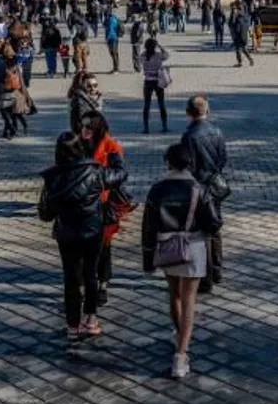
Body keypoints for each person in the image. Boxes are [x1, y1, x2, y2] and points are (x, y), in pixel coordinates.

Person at [141, 142, 223, 379]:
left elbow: (148, 227)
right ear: (190, 163)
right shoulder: (199, 188)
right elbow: (214, 224)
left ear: (168, 162)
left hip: (167, 247)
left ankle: (179, 334)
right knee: (189, 300)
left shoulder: (157, 190)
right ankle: (181, 354)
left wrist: (148, 259)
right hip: (194, 248)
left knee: (174, 294)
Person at [38, 131, 127, 342]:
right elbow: (120, 176)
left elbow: (45, 214)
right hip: (92, 231)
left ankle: (72, 325)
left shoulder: (52, 178)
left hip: (67, 234)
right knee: (90, 274)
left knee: (70, 278)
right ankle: (91, 319)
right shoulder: (94, 171)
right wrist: (116, 159)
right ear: (80, 148)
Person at [80, 111, 132, 308]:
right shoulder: (77, 143)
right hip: (82, 204)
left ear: (98, 128)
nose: (84, 130)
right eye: (83, 126)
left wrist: (99, 180)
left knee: (103, 247)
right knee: (84, 248)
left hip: (103, 203)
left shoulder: (110, 145)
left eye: (88, 127)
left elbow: (120, 173)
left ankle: (103, 283)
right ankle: (86, 283)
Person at [179, 94, 227, 295]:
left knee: (201, 233)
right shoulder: (216, 131)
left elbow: (187, 164)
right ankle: (216, 271)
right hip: (214, 185)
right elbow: (222, 158)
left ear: (189, 113)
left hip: (197, 187)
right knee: (214, 226)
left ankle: (205, 278)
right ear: (207, 111)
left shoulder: (189, 135)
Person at [141, 38, 170, 134]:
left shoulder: (144, 56)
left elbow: (139, 59)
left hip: (148, 82)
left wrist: (148, 48)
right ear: (155, 47)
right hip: (158, 81)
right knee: (161, 104)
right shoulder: (158, 56)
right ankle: (165, 126)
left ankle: (146, 128)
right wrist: (160, 46)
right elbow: (167, 55)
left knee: (147, 105)